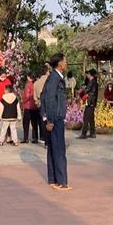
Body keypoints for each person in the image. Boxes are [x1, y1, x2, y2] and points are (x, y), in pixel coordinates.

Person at [41, 54, 69, 190]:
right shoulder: (55, 78)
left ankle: (53, 179)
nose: (66, 63)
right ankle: (61, 181)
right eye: (65, 60)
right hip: (55, 118)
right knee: (59, 150)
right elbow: (49, 99)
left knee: (53, 148)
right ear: (59, 63)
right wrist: (50, 120)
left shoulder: (54, 77)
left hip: (55, 117)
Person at [78, 69, 99, 140]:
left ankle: (84, 134)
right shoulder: (94, 82)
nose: (87, 75)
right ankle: (92, 133)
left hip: (90, 102)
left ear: (90, 74)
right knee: (91, 118)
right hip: (92, 102)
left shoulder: (92, 82)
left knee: (86, 118)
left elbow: (86, 90)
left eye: (88, 74)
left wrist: (80, 92)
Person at [22, 74, 41, 144]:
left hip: (28, 106)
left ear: (28, 77)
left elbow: (27, 96)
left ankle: (26, 138)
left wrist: (23, 101)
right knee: (35, 123)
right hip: (35, 106)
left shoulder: (28, 84)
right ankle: (35, 138)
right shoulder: (36, 84)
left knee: (26, 123)